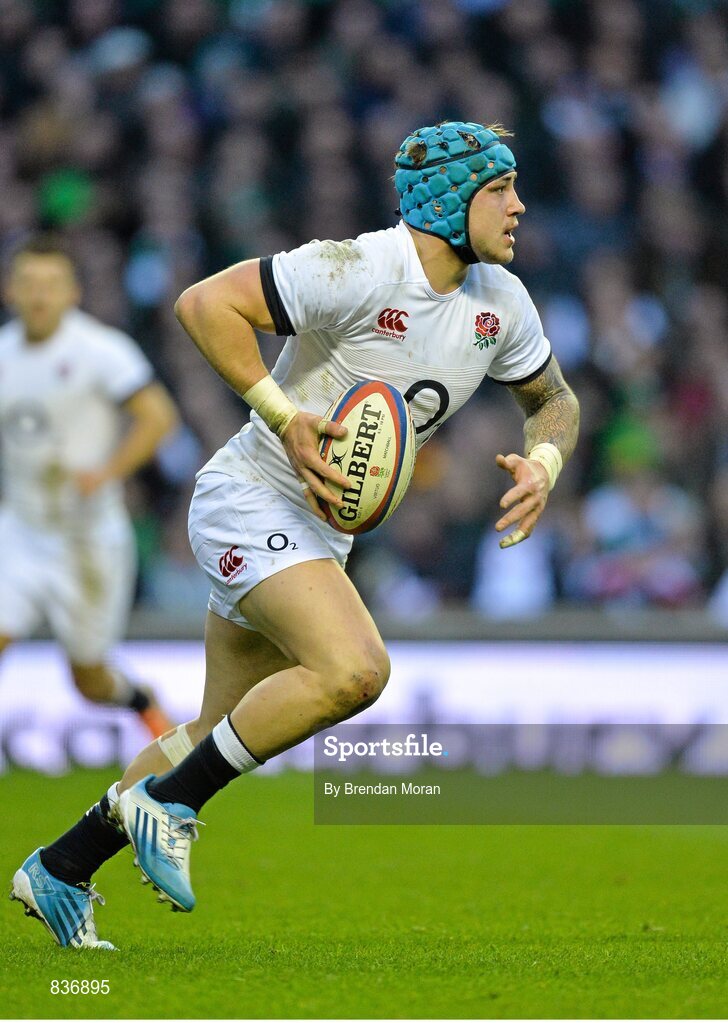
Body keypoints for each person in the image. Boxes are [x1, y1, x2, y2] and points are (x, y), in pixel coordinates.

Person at [10, 121, 579, 949]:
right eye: (500, 190)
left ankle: (61, 866)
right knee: (356, 670)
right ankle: (171, 805)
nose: (519, 206)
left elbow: (553, 399)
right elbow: (203, 303)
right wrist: (284, 417)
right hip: (251, 500)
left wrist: (545, 462)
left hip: (317, 536)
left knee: (211, 729)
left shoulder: (503, 302)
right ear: (450, 199)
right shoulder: (359, 266)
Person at [0, 235, 179, 746]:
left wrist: (107, 471)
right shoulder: (3, 353)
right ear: (10, 290)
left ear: (73, 292)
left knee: (90, 680)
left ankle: (140, 701)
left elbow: (158, 417)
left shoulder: (101, 350)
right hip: (21, 527)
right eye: (29, 283)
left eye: (51, 284)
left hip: (86, 538)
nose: (39, 295)